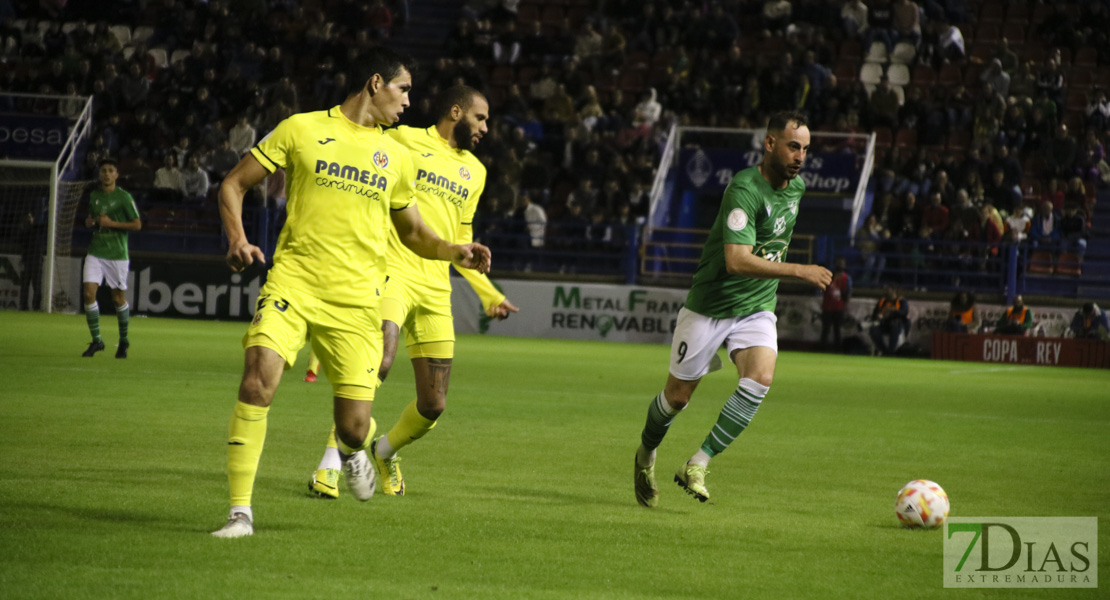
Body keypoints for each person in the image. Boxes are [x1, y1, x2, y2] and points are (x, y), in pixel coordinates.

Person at [211, 48, 492, 539]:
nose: (408, 101)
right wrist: (237, 238)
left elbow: (414, 233)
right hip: (293, 283)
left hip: (358, 300)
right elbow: (233, 185)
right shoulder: (300, 129)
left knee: (354, 428)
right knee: (257, 381)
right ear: (376, 82)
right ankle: (240, 513)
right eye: (404, 90)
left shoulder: (397, 158)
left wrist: (453, 250)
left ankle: (356, 450)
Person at [307, 85, 519, 500]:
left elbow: (461, 238)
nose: (486, 128)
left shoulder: (475, 171)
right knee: (379, 361)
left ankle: (383, 451)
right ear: (455, 112)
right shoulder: (403, 139)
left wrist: (488, 294)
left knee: (433, 405)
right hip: (392, 272)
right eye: (480, 118)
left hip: (435, 287)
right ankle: (331, 464)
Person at [633, 111, 832, 507]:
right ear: (770, 143)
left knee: (760, 377)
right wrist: (798, 269)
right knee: (677, 398)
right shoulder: (743, 189)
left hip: (757, 305)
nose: (800, 156)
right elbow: (736, 260)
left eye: (806, 149)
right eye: (794, 146)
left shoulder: (797, 189)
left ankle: (698, 463)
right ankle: (644, 454)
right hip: (710, 306)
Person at [81, 158, 141, 358]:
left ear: (117, 174)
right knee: (89, 294)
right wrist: (90, 222)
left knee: (118, 299)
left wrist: (112, 223)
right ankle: (97, 341)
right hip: (96, 251)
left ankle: (123, 341)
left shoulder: (124, 197)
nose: (106, 174)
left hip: (117, 254)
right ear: (100, 174)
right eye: (103, 170)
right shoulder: (95, 196)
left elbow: (137, 224)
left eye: (110, 170)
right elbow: (95, 219)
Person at [821, 257, 852, 350]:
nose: (840, 265)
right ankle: (822, 348)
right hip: (828, 306)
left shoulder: (846, 278)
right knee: (826, 329)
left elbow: (848, 292)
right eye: (839, 263)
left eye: (842, 263)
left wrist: (845, 304)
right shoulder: (829, 276)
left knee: (837, 329)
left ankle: (837, 348)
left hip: (839, 307)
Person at [868, 286, 910, 355]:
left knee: (895, 326)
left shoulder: (901, 301)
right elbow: (874, 314)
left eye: (889, 293)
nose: (888, 295)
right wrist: (878, 315)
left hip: (897, 324)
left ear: (895, 292)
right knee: (873, 330)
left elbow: (904, 312)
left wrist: (893, 310)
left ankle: (891, 351)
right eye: (886, 294)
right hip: (884, 324)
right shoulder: (882, 302)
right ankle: (883, 350)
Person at [18, 211, 47, 311]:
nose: (30, 219)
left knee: (35, 285)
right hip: (30, 260)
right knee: (27, 285)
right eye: (28, 217)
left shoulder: (36, 229)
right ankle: (26, 305)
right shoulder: (26, 231)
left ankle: (34, 306)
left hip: (34, 260)